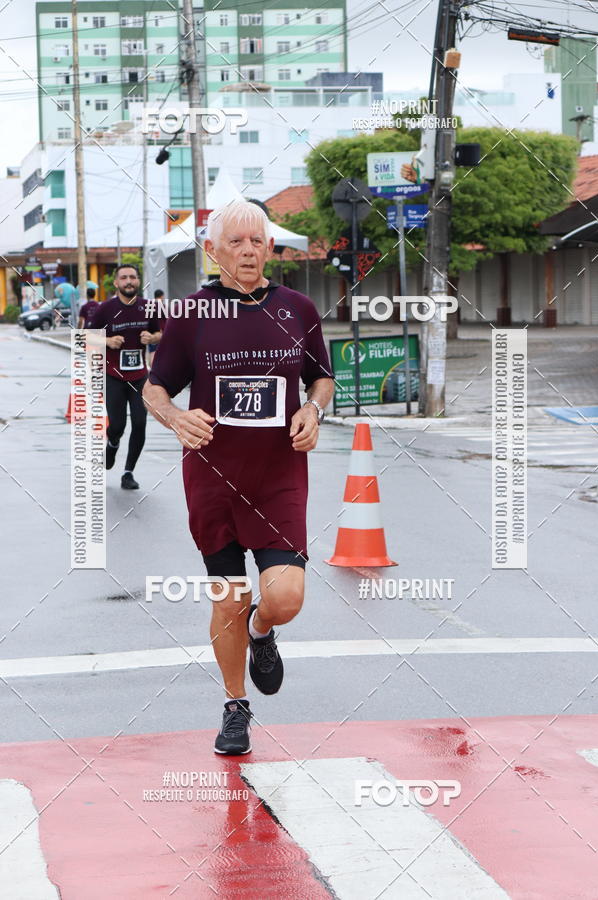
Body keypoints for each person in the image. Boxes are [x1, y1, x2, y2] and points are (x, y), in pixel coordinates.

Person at [143, 200, 334, 755]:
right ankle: (234, 705)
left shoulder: (297, 308)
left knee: (286, 597)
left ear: (270, 248)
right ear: (212, 250)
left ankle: (262, 631)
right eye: (236, 242)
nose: (248, 250)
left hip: (278, 473)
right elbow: (156, 388)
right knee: (229, 597)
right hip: (212, 476)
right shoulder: (191, 314)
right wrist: (176, 417)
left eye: (257, 241)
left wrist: (313, 411)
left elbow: (322, 378)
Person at [91, 264, 162, 490]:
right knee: (118, 425)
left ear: (138, 281)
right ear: (116, 283)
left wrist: (152, 338)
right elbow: (85, 337)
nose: (128, 281)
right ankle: (112, 443)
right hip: (113, 376)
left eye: (132, 277)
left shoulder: (149, 307)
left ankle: (128, 473)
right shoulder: (106, 309)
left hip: (140, 376)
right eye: (124, 278)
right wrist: (107, 342)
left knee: (140, 423)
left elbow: (163, 332)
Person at [148, 289, 166, 367]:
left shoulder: (150, 306)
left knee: (152, 351)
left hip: (151, 331)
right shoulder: (162, 306)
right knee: (160, 352)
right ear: (161, 296)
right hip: (160, 332)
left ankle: (151, 368)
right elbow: (166, 320)